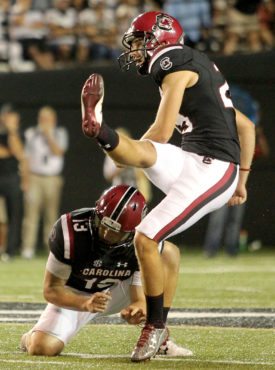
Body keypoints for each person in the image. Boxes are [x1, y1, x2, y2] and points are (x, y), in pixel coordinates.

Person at [80, 11, 255, 361]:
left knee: (146, 235)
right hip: (199, 160)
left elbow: (161, 132)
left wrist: (235, 179)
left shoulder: (171, 60)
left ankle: (155, 326)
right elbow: (247, 127)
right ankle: (101, 131)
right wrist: (243, 182)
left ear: (159, 38)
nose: (135, 51)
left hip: (212, 166)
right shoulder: (199, 68)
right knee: (145, 154)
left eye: (139, 41)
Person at [20, 184, 193, 357]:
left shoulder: (141, 238)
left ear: (132, 232)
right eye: (103, 224)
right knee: (42, 348)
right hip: (74, 293)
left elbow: (139, 297)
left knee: (168, 253)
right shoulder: (71, 231)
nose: (105, 233)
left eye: (115, 232)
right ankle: (30, 337)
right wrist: (84, 303)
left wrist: (138, 308)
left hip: (115, 291)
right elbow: (51, 289)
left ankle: (158, 334)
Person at [203, 85, 270, 258]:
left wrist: (258, 131)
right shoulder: (225, 134)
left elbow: (263, 151)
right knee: (218, 217)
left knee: (235, 219)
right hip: (223, 179)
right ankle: (211, 249)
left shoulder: (247, 136)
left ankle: (231, 250)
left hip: (240, 181)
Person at [21, 106, 69, 259]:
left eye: (48, 119)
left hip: (52, 178)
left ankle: (50, 249)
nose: (45, 122)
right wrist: (25, 180)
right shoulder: (31, 133)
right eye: (42, 119)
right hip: (35, 177)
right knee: (31, 214)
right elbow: (26, 159)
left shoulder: (60, 133)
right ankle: (27, 248)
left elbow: (58, 152)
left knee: (51, 215)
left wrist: (48, 136)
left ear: (53, 120)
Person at [0, 104, 28, 261]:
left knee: (14, 216)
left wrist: (12, 132)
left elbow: (19, 153)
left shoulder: (20, 134)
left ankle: (10, 251)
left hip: (12, 178)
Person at [103, 127, 152, 202]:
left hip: (136, 191)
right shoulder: (111, 155)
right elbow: (108, 175)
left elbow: (144, 172)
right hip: (120, 192)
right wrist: (121, 164)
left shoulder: (135, 151)